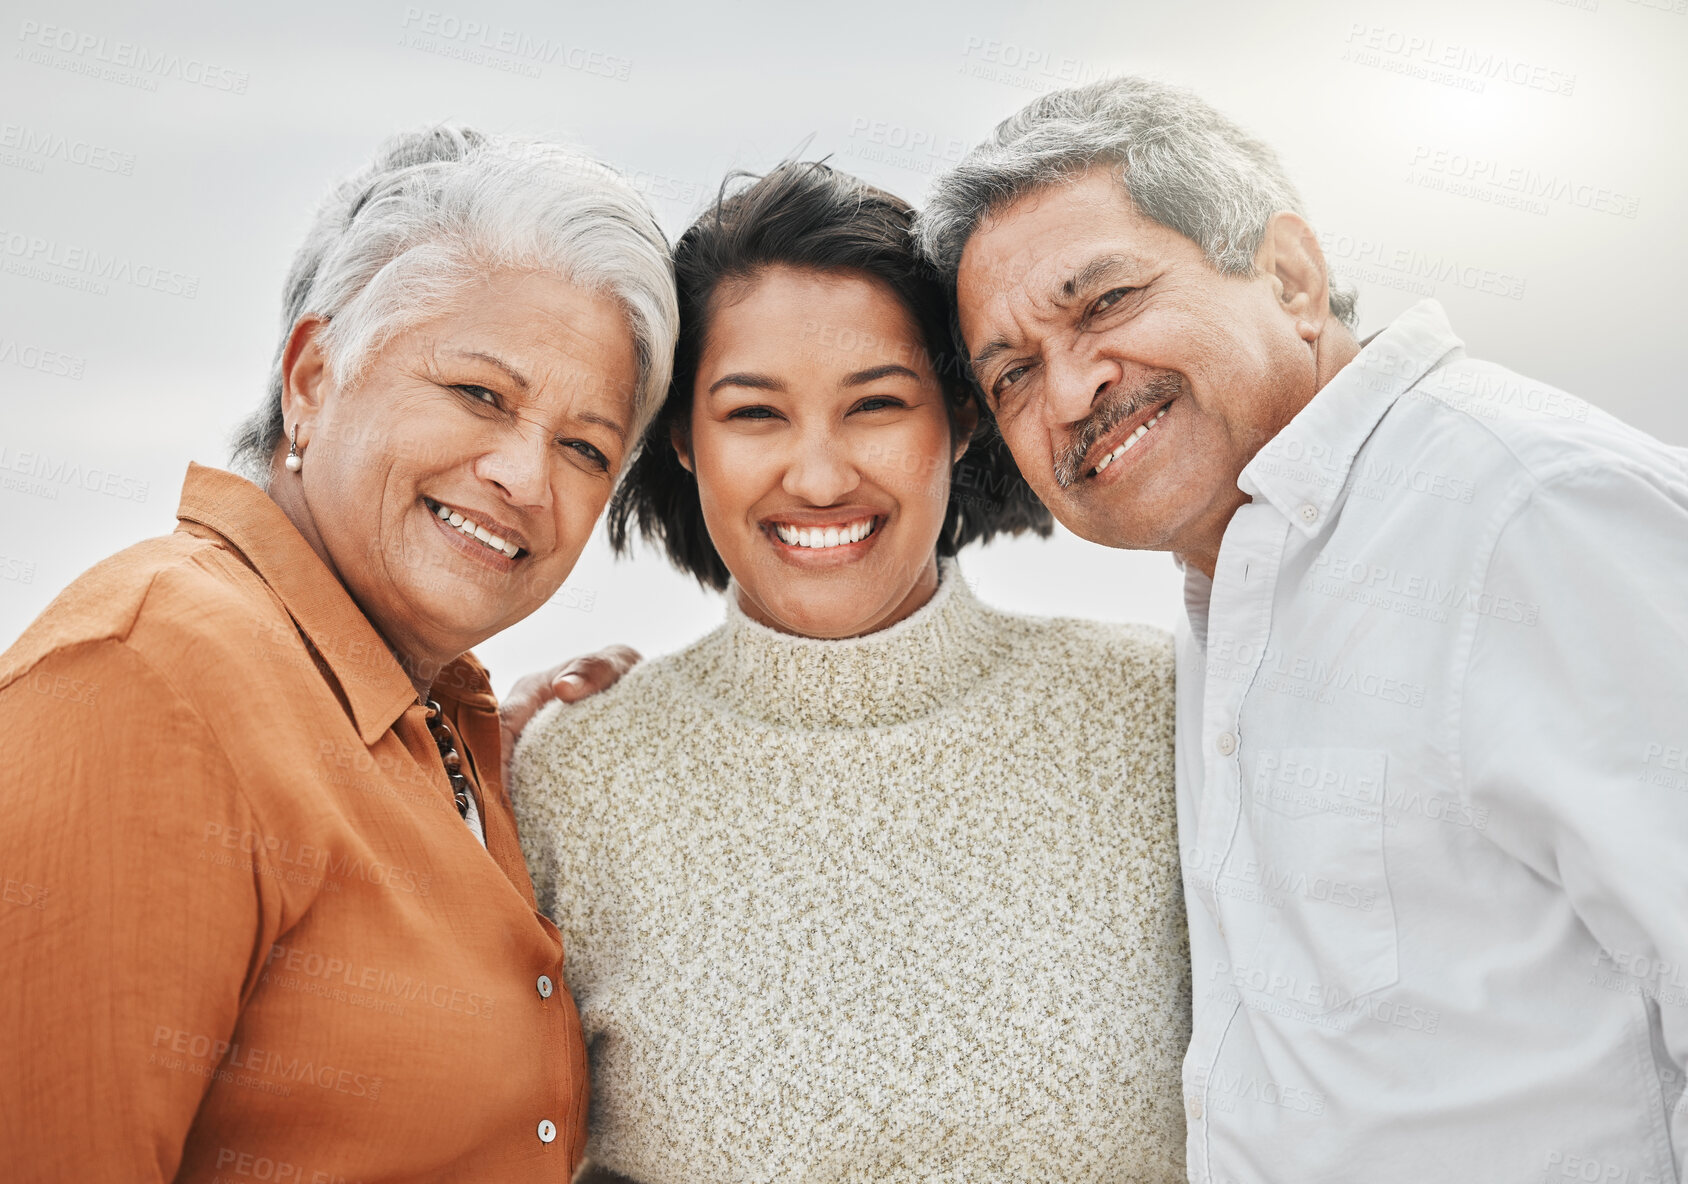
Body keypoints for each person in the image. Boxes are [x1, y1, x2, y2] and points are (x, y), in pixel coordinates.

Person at [913, 76, 1688, 1181]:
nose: (1073, 388)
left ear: (1288, 276)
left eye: (1105, 302)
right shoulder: (1233, 587)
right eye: (1011, 373)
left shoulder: (1529, 510)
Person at [0, 125, 676, 1182]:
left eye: (584, 446)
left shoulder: (428, 721)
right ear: (313, 378)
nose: (523, 474)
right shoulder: (151, 675)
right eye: (479, 394)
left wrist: (512, 774)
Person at [513, 161, 1191, 1183]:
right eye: (752, 413)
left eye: (873, 403)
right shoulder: (574, 776)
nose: (820, 475)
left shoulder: (1160, 715)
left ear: (960, 418)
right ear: (683, 441)